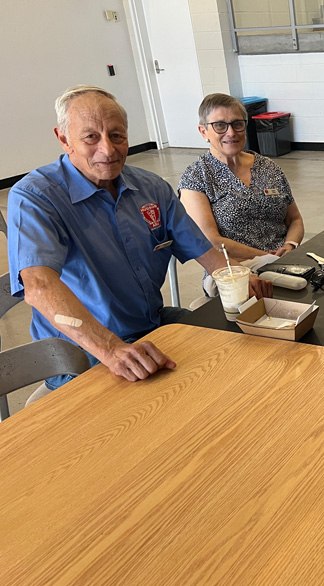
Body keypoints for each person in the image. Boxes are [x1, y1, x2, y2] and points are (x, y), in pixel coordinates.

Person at [7, 85, 272, 396]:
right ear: (64, 138)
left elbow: (203, 249)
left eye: (116, 135)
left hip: (151, 325)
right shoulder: (35, 196)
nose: (108, 150)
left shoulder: (151, 188)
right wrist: (111, 349)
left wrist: (239, 277)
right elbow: (39, 286)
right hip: (83, 350)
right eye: (91, 137)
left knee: (239, 360)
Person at [179, 93, 304, 261]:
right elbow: (211, 241)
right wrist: (268, 259)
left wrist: (290, 245)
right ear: (203, 132)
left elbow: (294, 219)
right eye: (220, 125)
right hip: (234, 268)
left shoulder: (268, 167)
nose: (231, 133)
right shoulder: (196, 178)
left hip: (284, 261)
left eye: (237, 124)